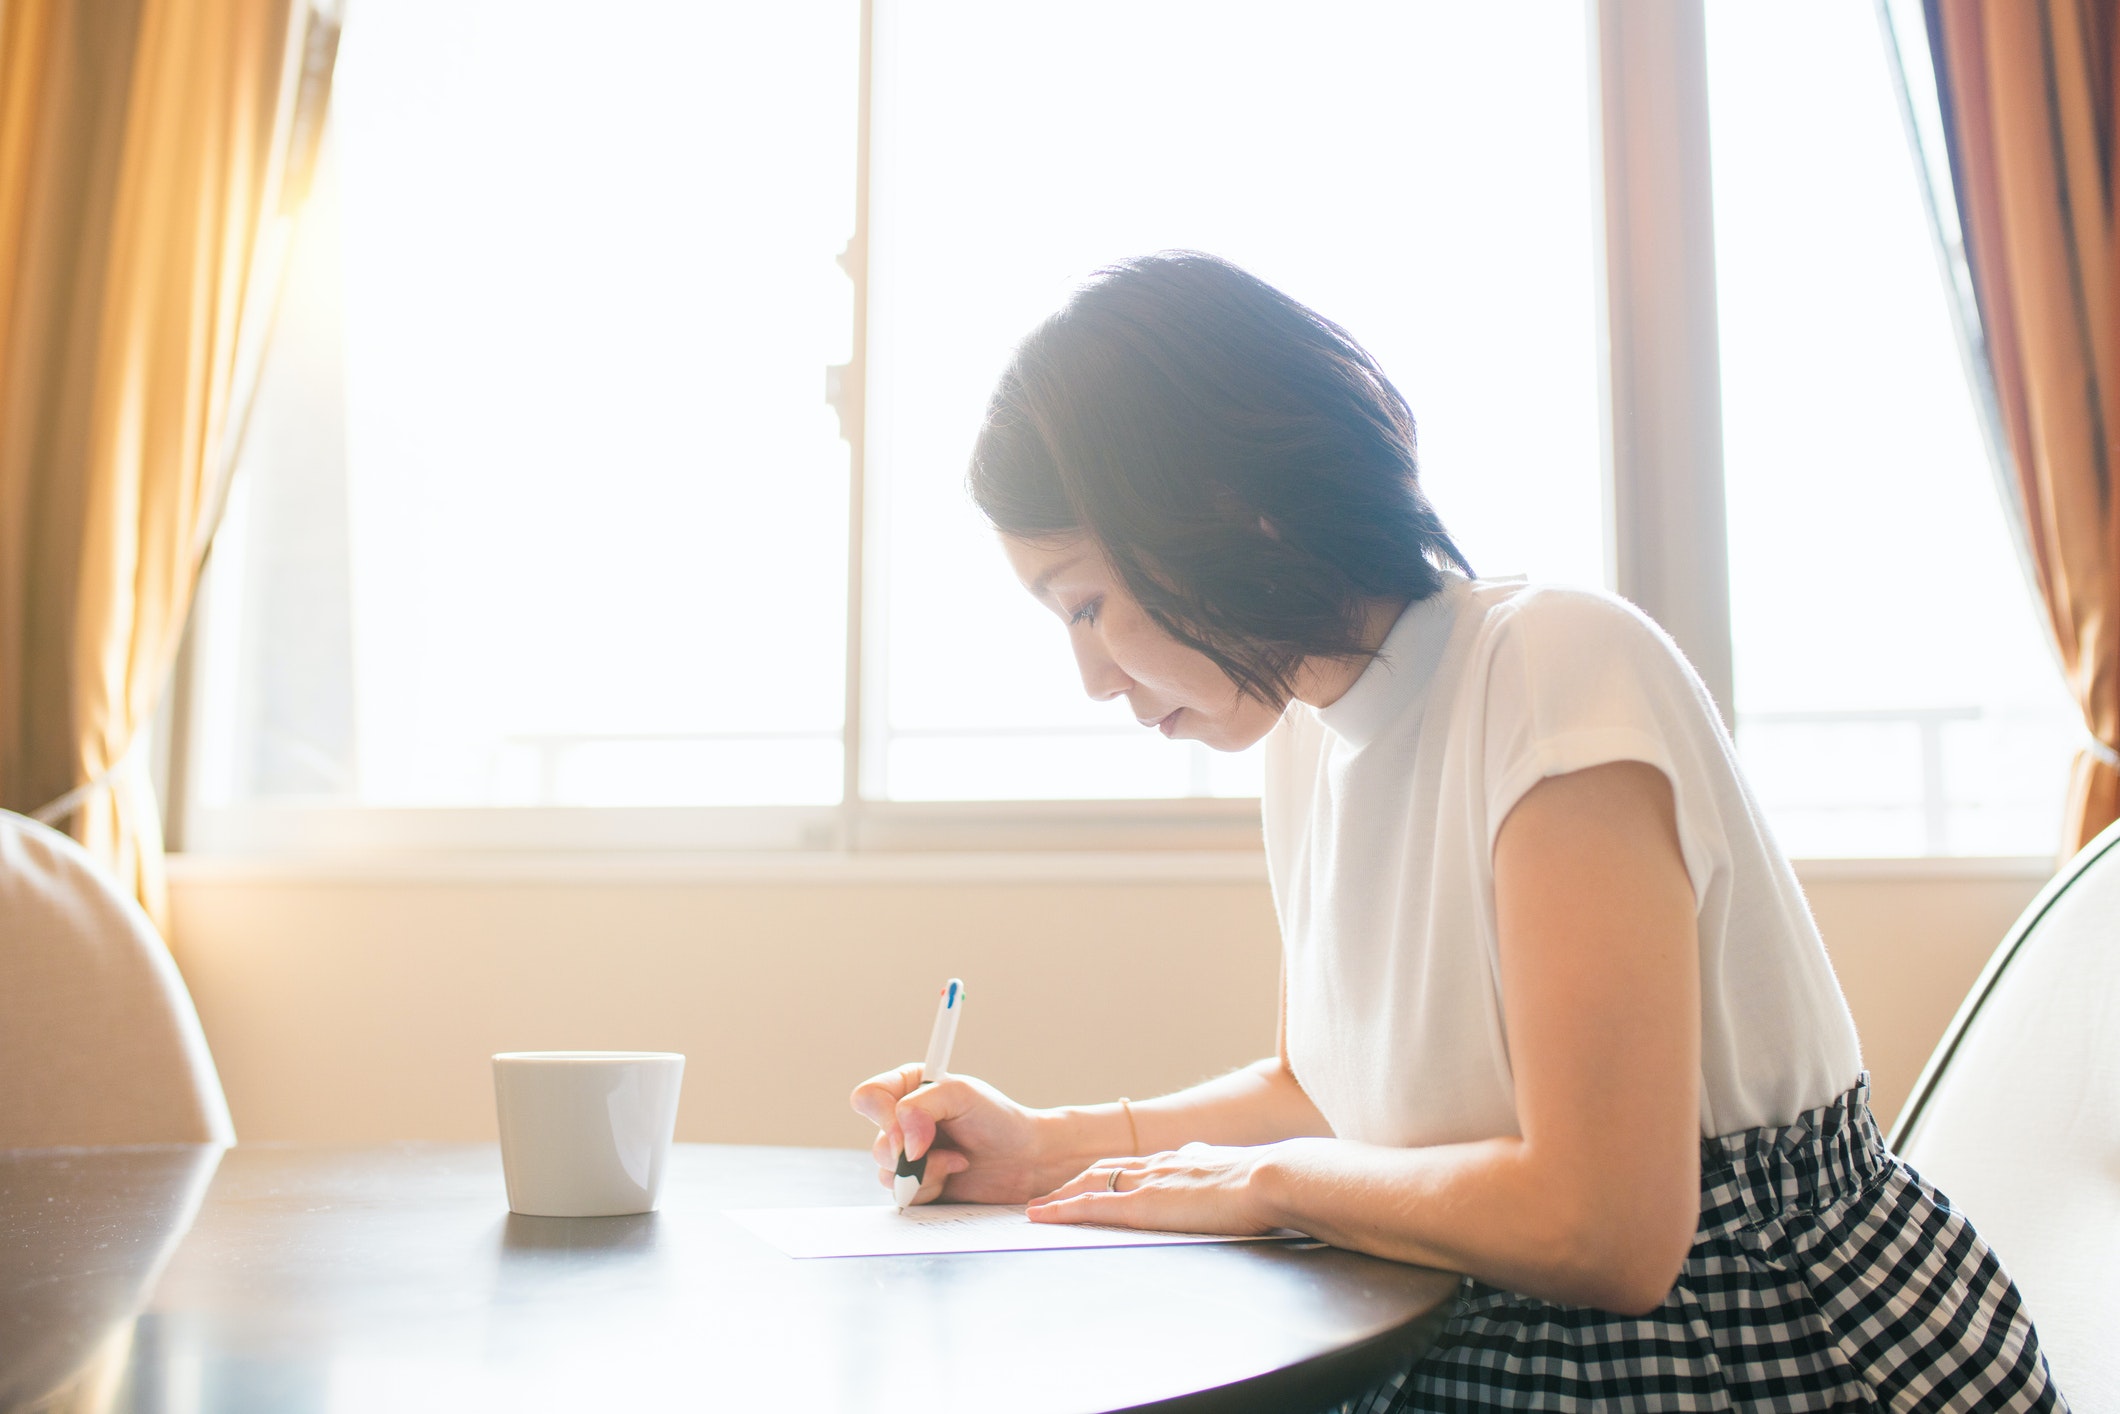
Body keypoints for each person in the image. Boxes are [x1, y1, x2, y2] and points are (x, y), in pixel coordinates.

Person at [848, 252, 2065, 1412]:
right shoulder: (1305, 735)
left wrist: (1268, 1185)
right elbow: (1325, 1092)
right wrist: (1045, 1147)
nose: (1090, 679)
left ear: (1222, 512)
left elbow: (1606, 1226)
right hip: (1474, 1310)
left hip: (1739, 1337)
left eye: (1084, 605)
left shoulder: (1549, 667)